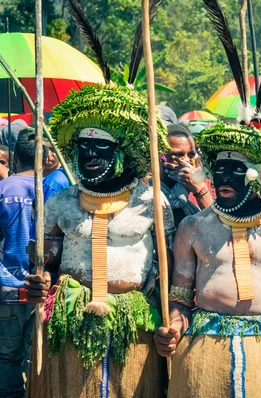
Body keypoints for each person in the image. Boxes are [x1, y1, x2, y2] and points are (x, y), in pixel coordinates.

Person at [155, 123, 261, 398]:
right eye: (220, 170)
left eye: (237, 171)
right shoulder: (193, 227)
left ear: (260, 176)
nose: (225, 179)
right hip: (205, 349)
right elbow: (181, 298)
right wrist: (175, 327)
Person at [24, 85, 175, 397]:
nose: (89, 154)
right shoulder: (61, 202)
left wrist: (171, 314)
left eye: (101, 147)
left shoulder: (151, 201)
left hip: (133, 320)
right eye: (83, 146)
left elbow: (169, 266)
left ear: (122, 152)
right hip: (72, 316)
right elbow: (44, 261)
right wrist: (41, 278)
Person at [0, 128, 39, 397]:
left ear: (14, 157)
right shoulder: (55, 189)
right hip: (41, 290)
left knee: (6, 360)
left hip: (8, 289)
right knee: (35, 359)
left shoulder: (4, 188)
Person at [157, 123, 213, 227]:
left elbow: (216, 226)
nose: (187, 160)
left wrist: (200, 190)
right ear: (160, 156)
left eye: (191, 154)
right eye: (178, 154)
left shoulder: (201, 187)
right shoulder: (149, 193)